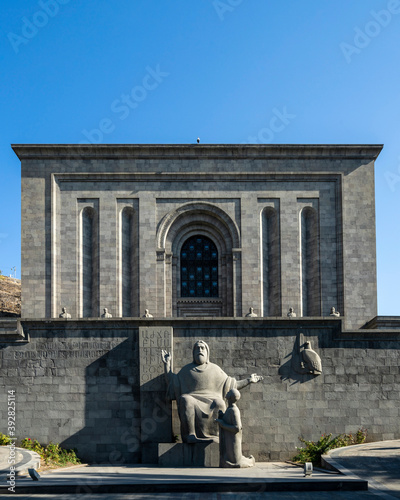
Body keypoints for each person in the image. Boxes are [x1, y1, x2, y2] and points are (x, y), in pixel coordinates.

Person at [161, 340, 263, 443]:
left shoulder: (215, 369)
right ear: (193, 353)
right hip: (192, 400)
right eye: (197, 348)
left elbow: (231, 384)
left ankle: (216, 436)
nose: (200, 350)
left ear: (207, 352)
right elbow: (173, 382)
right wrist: (167, 365)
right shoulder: (186, 370)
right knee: (185, 400)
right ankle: (190, 435)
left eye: (202, 348)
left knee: (220, 403)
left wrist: (249, 380)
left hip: (212, 400)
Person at [216, 388, 255, 468]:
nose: (227, 392)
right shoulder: (229, 409)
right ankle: (248, 460)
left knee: (235, 462)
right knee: (229, 460)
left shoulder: (234, 410)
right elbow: (228, 420)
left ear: (230, 397)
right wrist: (222, 416)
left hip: (233, 442)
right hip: (228, 442)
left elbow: (237, 427)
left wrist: (222, 424)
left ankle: (250, 461)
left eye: (229, 392)